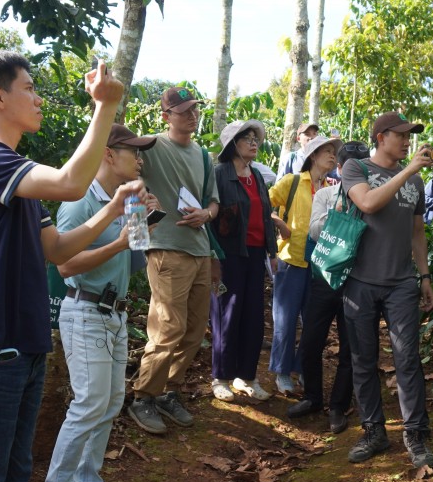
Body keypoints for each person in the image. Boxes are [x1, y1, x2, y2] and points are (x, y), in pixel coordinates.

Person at [0, 51, 134, 482]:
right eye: (28, 87)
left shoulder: (16, 179)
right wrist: (104, 107)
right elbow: (71, 184)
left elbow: (58, 249)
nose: (38, 96)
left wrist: (111, 211)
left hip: (21, 350)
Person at [35, 124, 160, 482]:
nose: (140, 160)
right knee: (89, 402)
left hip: (115, 313)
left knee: (110, 401)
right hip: (85, 309)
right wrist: (120, 244)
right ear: (109, 154)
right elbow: (66, 266)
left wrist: (144, 229)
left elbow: (135, 264)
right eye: (134, 152)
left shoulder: (124, 201)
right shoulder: (80, 199)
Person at [341, 112, 433, 469]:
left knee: (407, 359)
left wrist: (424, 276)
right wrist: (408, 171)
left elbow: (417, 233)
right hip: (360, 281)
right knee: (363, 360)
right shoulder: (356, 168)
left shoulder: (417, 182)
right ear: (381, 137)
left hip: (401, 283)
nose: (408, 141)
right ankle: (373, 431)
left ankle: (415, 435)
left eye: (410, 136)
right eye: (402, 135)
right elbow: (367, 203)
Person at [129, 86, 221, 435]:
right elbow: (125, 176)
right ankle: (143, 397)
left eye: (195, 109)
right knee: (168, 327)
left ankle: (168, 391)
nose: (192, 116)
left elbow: (213, 203)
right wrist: (139, 228)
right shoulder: (149, 145)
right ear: (166, 116)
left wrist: (206, 216)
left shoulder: (203, 156)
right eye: (183, 111)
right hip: (165, 247)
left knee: (195, 330)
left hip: (198, 248)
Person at [285, 140, 369, 432]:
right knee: (310, 342)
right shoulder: (325, 194)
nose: (355, 172)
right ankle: (313, 398)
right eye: (349, 167)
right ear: (341, 167)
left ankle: (338, 406)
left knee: (349, 348)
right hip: (324, 277)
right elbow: (315, 231)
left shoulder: (373, 197)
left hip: (356, 282)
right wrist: (340, 211)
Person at [208, 120, 278, 403]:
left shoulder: (257, 176)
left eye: (255, 138)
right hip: (229, 254)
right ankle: (221, 377)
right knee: (227, 313)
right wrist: (213, 257)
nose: (254, 142)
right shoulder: (219, 174)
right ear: (232, 145)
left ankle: (247, 376)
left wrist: (272, 253)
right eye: (246, 138)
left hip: (255, 254)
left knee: (253, 315)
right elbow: (211, 217)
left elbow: (265, 215)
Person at [267, 135, 342, 395]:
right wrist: (279, 223)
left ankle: (301, 370)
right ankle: (282, 372)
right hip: (291, 259)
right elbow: (265, 203)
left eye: (334, 152)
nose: (332, 156)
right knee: (285, 320)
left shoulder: (333, 187)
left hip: (320, 264)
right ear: (313, 156)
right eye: (327, 151)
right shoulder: (293, 182)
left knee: (312, 322)